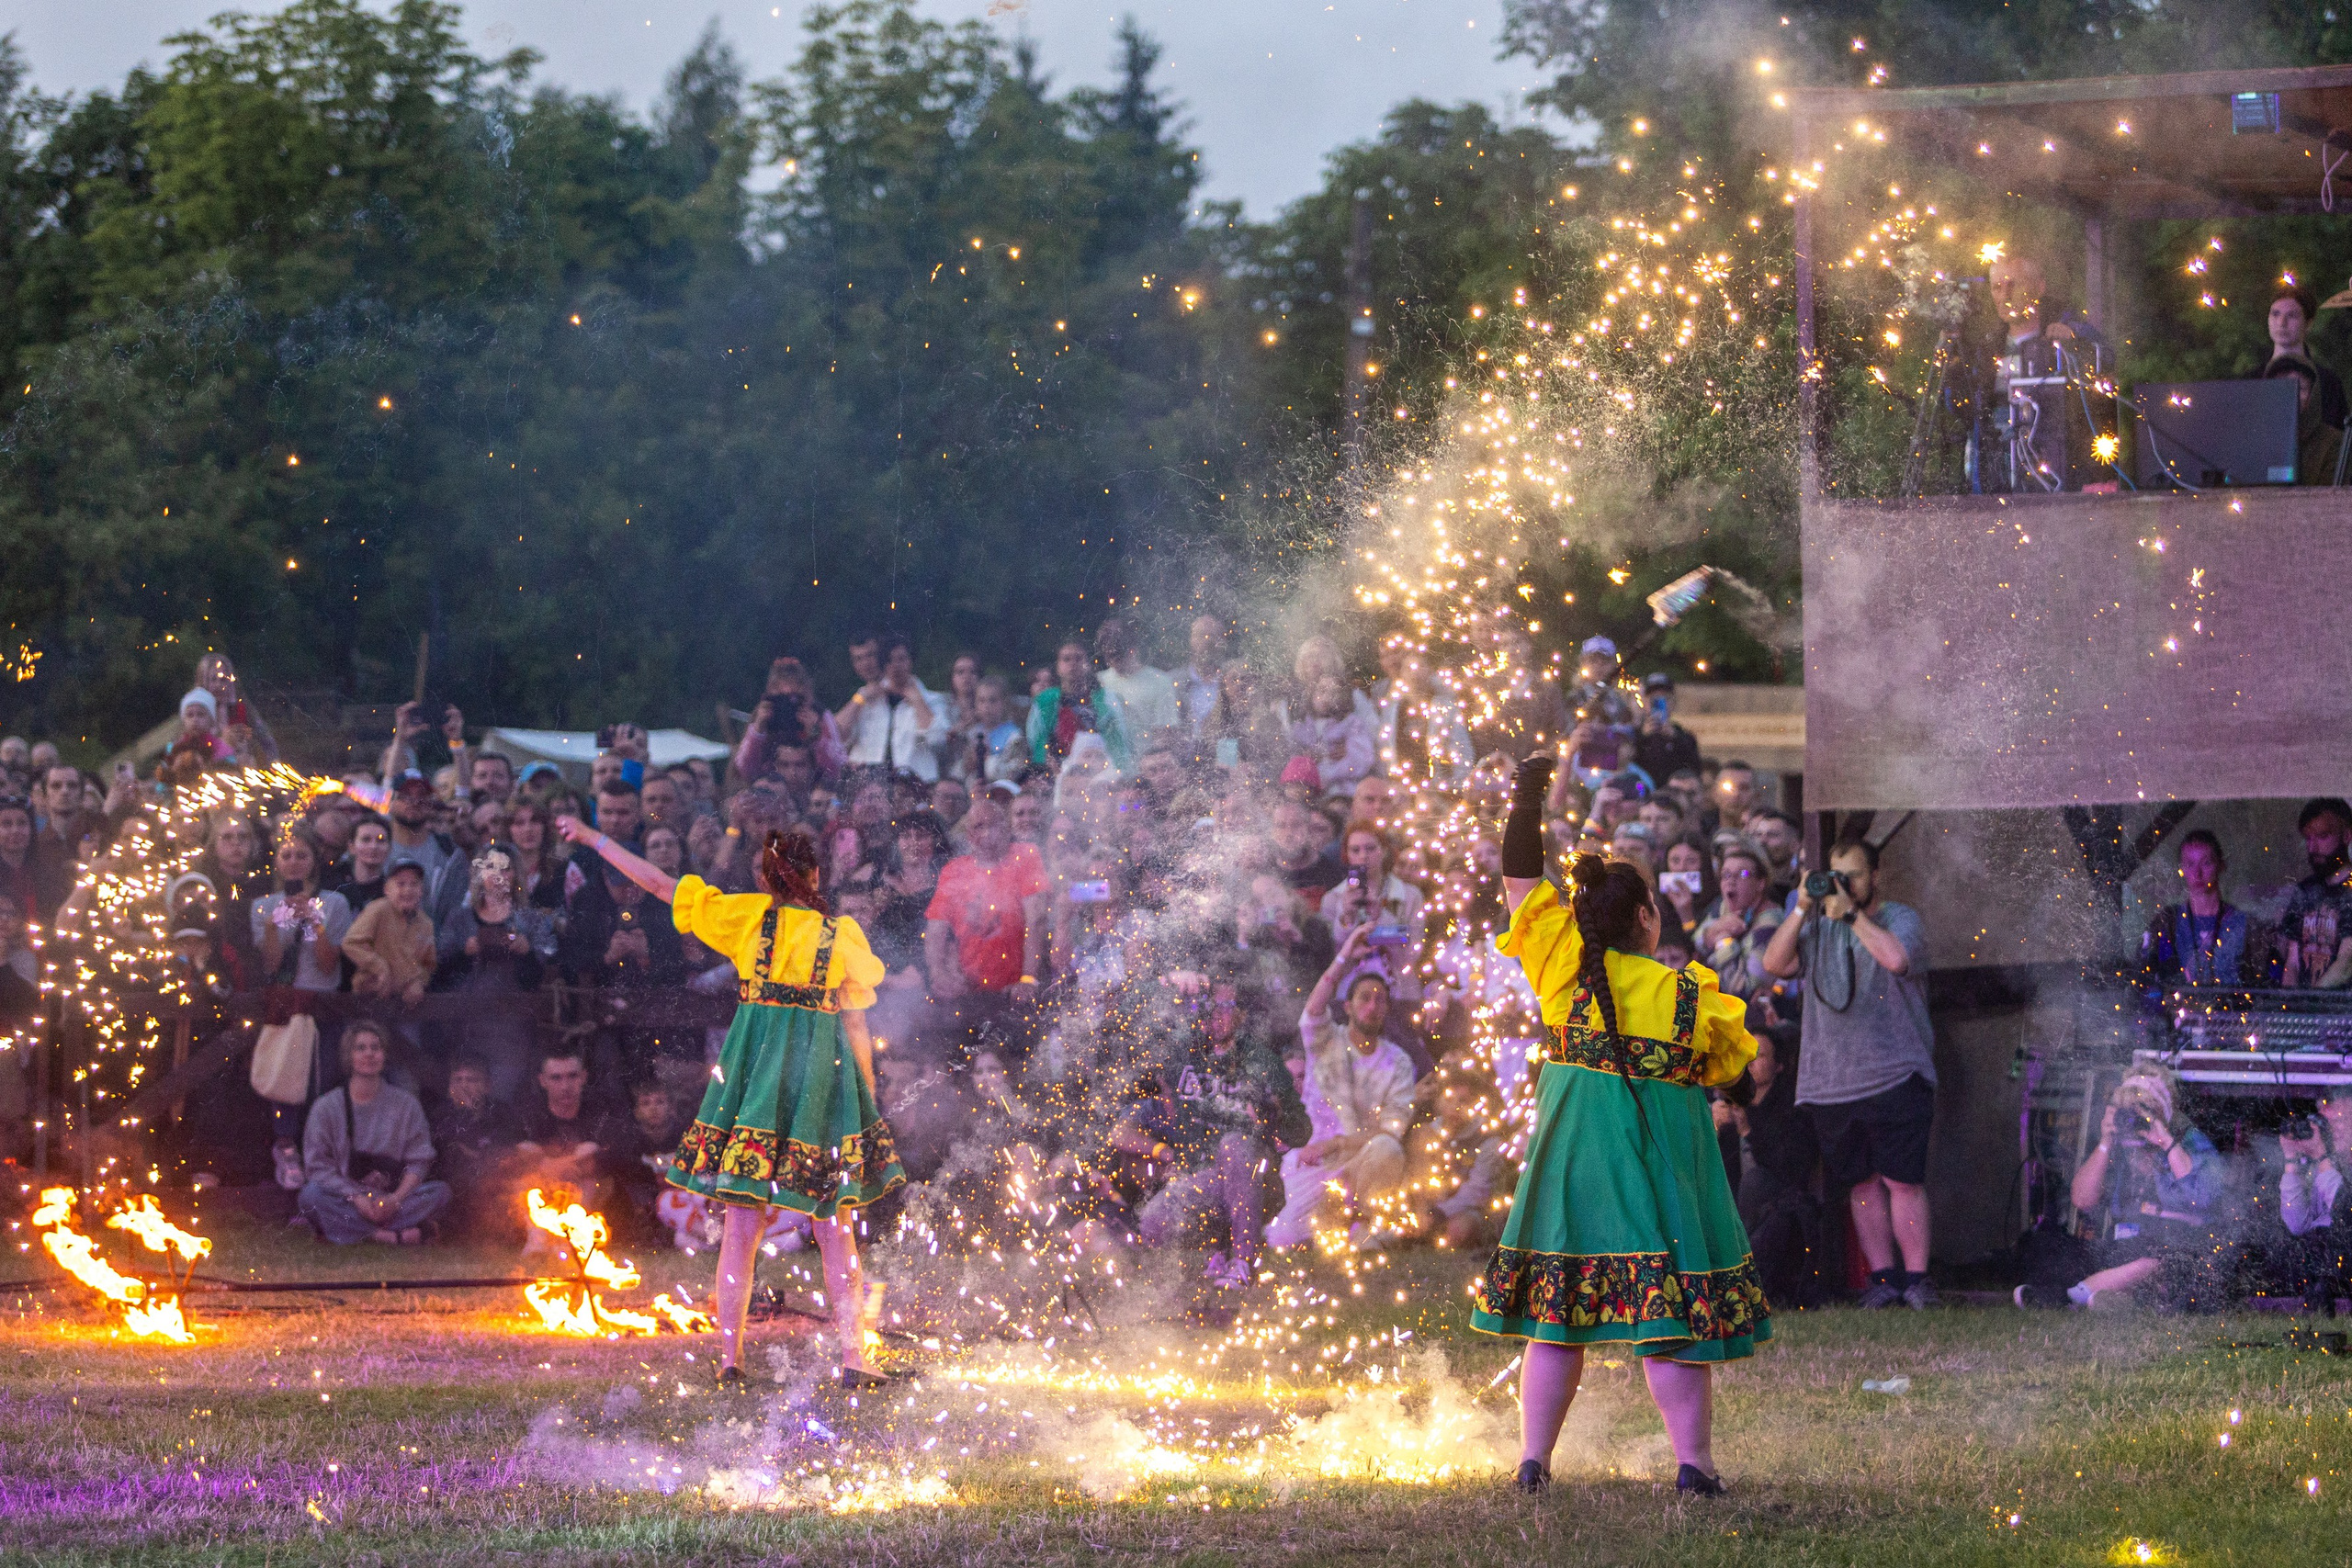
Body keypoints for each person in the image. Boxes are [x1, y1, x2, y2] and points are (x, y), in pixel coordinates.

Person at [1474, 755, 1766, 1497]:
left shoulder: (1561, 969)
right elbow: (1736, 1070)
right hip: (1659, 1172)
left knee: (1555, 1320)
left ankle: (1534, 1462)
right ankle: (1694, 1466)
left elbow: (1518, 879)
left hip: (1575, 1170)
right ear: (1646, 917)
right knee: (1666, 1321)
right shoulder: (1690, 995)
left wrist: (1527, 795)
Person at [558, 815, 900, 1387]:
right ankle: (853, 1360)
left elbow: (663, 885)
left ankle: (731, 1361)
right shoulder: (840, 935)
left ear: (767, 879)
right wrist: (864, 1100)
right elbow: (857, 1023)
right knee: (833, 1226)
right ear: (816, 874)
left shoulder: (745, 917)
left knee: (742, 1224)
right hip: (818, 1084)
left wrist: (595, 839)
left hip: (757, 1078)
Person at [1760, 836, 1938, 1311]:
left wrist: (1853, 916)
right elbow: (1772, 964)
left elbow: (1897, 960)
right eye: (1836, 876)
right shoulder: (1816, 927)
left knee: (1903, 1180)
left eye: (1854, 875)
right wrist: (1800, 908)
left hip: (1896, 1071)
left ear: (1874, 875)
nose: (1844, 885)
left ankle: (1916, 1281)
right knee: (1860, 1184)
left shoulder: (1899, 918)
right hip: (1831, 1081)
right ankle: (1882, 1280)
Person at [1119, 968, 1310, 1305]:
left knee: (1233, 1145)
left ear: (1240, 1014)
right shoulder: (1184, 1055)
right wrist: (1167, 981)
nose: (1216, 1016)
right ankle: (1219, 1247)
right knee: (1153, 1222)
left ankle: (1242, 1261)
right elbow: (1132, 1006)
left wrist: (1268, 1119)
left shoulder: (1262, 1060)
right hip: (1206, 1179)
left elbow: (1301, 1129)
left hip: (1257, 1177)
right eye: (1211, 1007)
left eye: (1226, 1007)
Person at [1265, 926, 1419, 1250]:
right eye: (1365, 997)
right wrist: (1345, 957)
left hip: (1362, 1163)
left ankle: (1360, 1222)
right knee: (1282, 1239)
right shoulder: (1326, 1041)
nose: (1372, 1005)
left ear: (1387, 1010)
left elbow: (1392, 1130)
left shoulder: (1399, 1062)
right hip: (1315, 1164)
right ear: (1347, 1006)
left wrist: (1338, 1143)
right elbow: (1313, 1011)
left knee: (1388, 1149)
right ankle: (1334, 1223)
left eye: (1380, 1000)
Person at [2018, 1068, 2222, 1311]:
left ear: (2162, 1113)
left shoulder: (2189, 1141)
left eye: (2141, 1115)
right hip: (2126, 1245)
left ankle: (2065, 1298)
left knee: (2153, 1263)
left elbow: (2203, 1197)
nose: (2133, 1123)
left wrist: (2166, 1142)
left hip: (2177, 1249)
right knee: (2067, 1245)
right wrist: (2105, 1143)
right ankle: (2115, 1302)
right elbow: (2082, 1199)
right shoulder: (2122, 1147)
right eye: (2127, 1114)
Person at [296, 1021, 451, 1245]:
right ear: (348, 1056)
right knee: (311, 1196)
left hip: (392, 1198)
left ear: (385, 1055)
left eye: (375, 1048)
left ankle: (347, 1230)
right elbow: (317, 1166)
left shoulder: (406, 1104)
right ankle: (384, 1236)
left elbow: (420, 1160)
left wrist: (396, 1199)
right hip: (348, 1198)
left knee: (440, 1193)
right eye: (361, 1048)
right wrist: (357, 1198)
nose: (369, 1054)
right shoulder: (327, 1106)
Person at [924, 797, 1047, 1060]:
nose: (988, 832)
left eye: (995, 825)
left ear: (1007, 828)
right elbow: (935, 929)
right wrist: (939, 973)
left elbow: (1036, 919)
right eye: (979, 826)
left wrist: (1028, 979)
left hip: (1013, 992)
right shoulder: (954, 870)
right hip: (969, 992)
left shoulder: (1024, 856)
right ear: (969, 834)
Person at [2139, 829, 2256, 988]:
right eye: (2190, 864)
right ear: (2182, 869)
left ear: (2220, 865)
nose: (2197, 873)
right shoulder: (2166, 923)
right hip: (2178, 1010)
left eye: (2206, 863)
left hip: (2231, 1011)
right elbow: (2143, 979)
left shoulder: (2241, 923)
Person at [429, 1051, 526, 1242]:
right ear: (450, 1087)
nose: (464, 1085)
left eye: (472, 1080)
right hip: (455, 1189)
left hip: (495, 1186)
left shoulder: (502, 1114)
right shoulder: (440, 1116)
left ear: (487, 1085)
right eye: (458, 1080)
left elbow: (506, 1154)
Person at [2258, 283, 2348, 485]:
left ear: (2309, 323)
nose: (2281, 322)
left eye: (2292, 316)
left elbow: (2338, 443)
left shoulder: (2328, 382)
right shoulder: (2252, 380)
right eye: (2275, 314)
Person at [836, 632, 949, 782]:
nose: (896, 666)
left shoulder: (933, 700)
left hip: (915, 786)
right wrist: (860, 699)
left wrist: (917, 701)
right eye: (889, 660)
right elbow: (836, 735)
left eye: (901, 659)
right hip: (869, 786)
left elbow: (938, 740)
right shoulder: (866, 700)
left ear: (911, 661)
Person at [2278, 1091, 2352, 1316]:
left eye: (2339, 1121)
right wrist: (2291, 1160)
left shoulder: (2325, 1164)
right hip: (2323, 1262)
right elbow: (2297, 1224)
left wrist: (2321, 1158)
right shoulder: (2322, 1164)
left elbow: (2346, 1215)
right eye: (2326, 1123)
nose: (2332, 1130)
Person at [1028, 638, 1131, 773]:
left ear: (1089, 664)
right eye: (1066, 659)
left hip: (1103, 772)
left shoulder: (1107, 699)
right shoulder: (1045, 701)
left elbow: (1119, 742)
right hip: (1056, 773)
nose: (1073, 664)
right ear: (1058, 666)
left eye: (1078, 659)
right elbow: (1037, 741)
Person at [2279, 798, 2352, 989]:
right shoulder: (2305, 891)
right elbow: (2292, 961)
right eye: (2308, 838)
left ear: (2347, 836)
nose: (2313, 847)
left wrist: (2310, 1000)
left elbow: (2346, 963)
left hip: (2341, 1014)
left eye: (2322, 836)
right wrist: (2288, 1006)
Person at [1695, 840, 1781, 1002]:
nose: (1731, 880)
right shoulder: (1721, 905)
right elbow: (1698, 940)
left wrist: (1724, 942)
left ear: (1760, 883)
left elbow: (1742, 988)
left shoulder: (1770, 924)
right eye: (1726, 874)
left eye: (1743, 874)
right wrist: (1714, 930)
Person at [342, 860, 435, 1007]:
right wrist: (379, 966)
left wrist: (418, 981)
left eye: (414, 884)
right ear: (387, 889)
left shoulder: (425, 923)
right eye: (401, 884)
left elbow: (429, 964)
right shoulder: (378, 910)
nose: (408, 890)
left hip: (406, 1003)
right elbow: (351, 943)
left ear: (421, 890)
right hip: (372, 994)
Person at [1092, 618, 1181, 743]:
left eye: (1119, 650)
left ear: (1133, 647)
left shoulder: (1160, 682)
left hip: (1148, 758)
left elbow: (1165, 735)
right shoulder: (1099, 682)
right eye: (1109, 653)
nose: (1114, 656)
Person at [1632, 672, 1702, 787]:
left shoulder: (1684, 737)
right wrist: (1642, 737)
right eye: (1653, 699)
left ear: (1673, 702)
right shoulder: (1633, 734)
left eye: (1665, 699)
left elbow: (1694, 769)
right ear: (1644, 702)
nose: (1659, 703)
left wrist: (1676, 739)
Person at [1176, 615, 1227, 735]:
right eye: (1201, 635)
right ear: (1190, 640)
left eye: (1214, 636)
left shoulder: (1230, 682)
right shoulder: (1175, 682)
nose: (1207, 640)